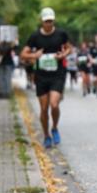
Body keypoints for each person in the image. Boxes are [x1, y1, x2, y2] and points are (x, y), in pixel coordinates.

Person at [20, 8, 71, 148]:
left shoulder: (61, 34)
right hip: (41, 76)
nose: (49, 23)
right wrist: (34, 56)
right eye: (46, 21)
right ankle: (46, 135)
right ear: (42, 21)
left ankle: (54, 127)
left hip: (57, 74)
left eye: (51, 21)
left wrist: (63, 55)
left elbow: (69, 48)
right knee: (43, 108)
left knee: (54, 104)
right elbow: (23, 54)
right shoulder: (35, 36)